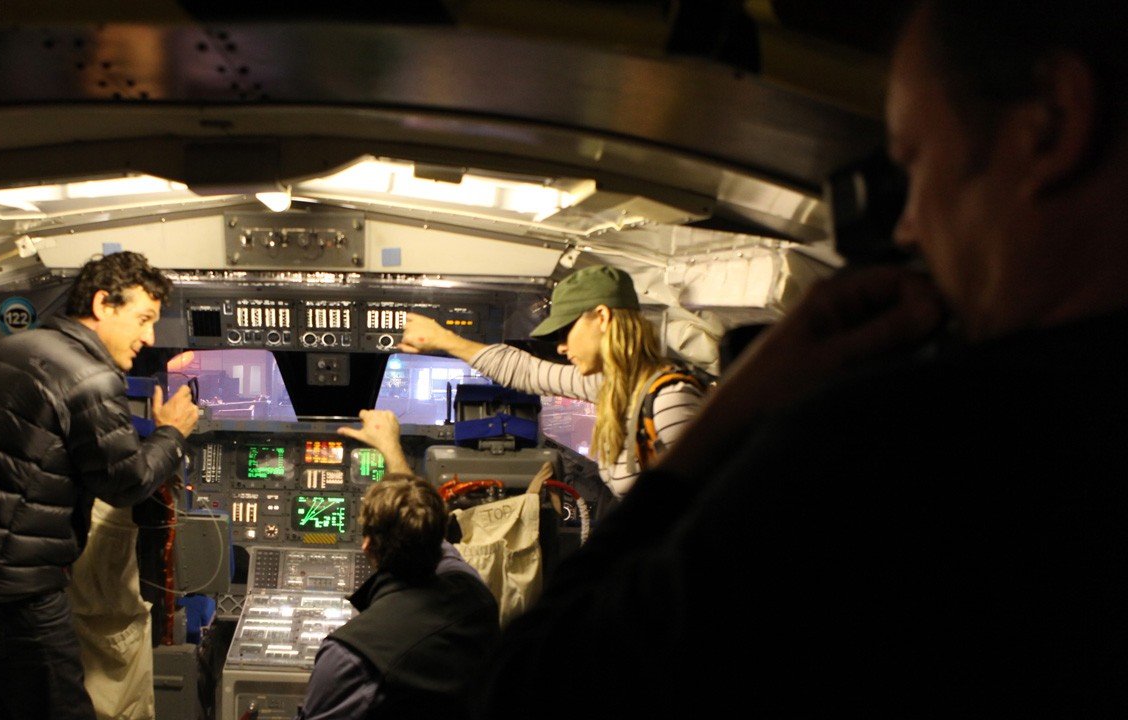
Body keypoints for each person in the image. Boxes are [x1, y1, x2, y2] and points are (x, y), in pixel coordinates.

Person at [473, 1, 1128, 717]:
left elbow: (536, 684)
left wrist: (734, 421)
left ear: (1053, 120)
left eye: (914, 161)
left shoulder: (895, 444)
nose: (908, 227)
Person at [0, 251, 199, 720]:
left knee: (0, 707)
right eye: (143, 319)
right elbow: (126, 484)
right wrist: (172, 432)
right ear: (103, 304)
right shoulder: (89, 374)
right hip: (14, 588)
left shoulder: (10, 351)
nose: (149, 337)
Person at [399, 265, 705, 499]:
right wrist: (444, 340)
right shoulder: (610, 386)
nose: (561, 347)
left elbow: (704, 507)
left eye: (565, 331)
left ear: (602, 318)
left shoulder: (670, 400)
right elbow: (526, 371)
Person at [289, 409, 498, 720]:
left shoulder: (349, 656)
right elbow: (424, 522)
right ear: (434, 533)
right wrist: (391, 448)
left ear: (367, 545)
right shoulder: (474, 595)